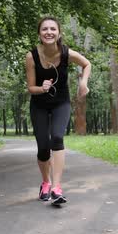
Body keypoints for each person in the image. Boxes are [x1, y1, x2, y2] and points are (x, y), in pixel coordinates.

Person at [25, 16, 91, 206]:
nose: (49, 32)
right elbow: (31, 87)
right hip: (39, 104)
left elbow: (87, 64)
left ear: (59, 33)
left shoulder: (66, 53)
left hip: (61, 102)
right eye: (45, 29)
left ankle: (56, 187)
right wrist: (42, 88)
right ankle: (45, 182)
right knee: (43, 147)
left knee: (57, 138)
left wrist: (83, 83)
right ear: (39, 34)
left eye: (53, 29)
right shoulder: (32, 56)